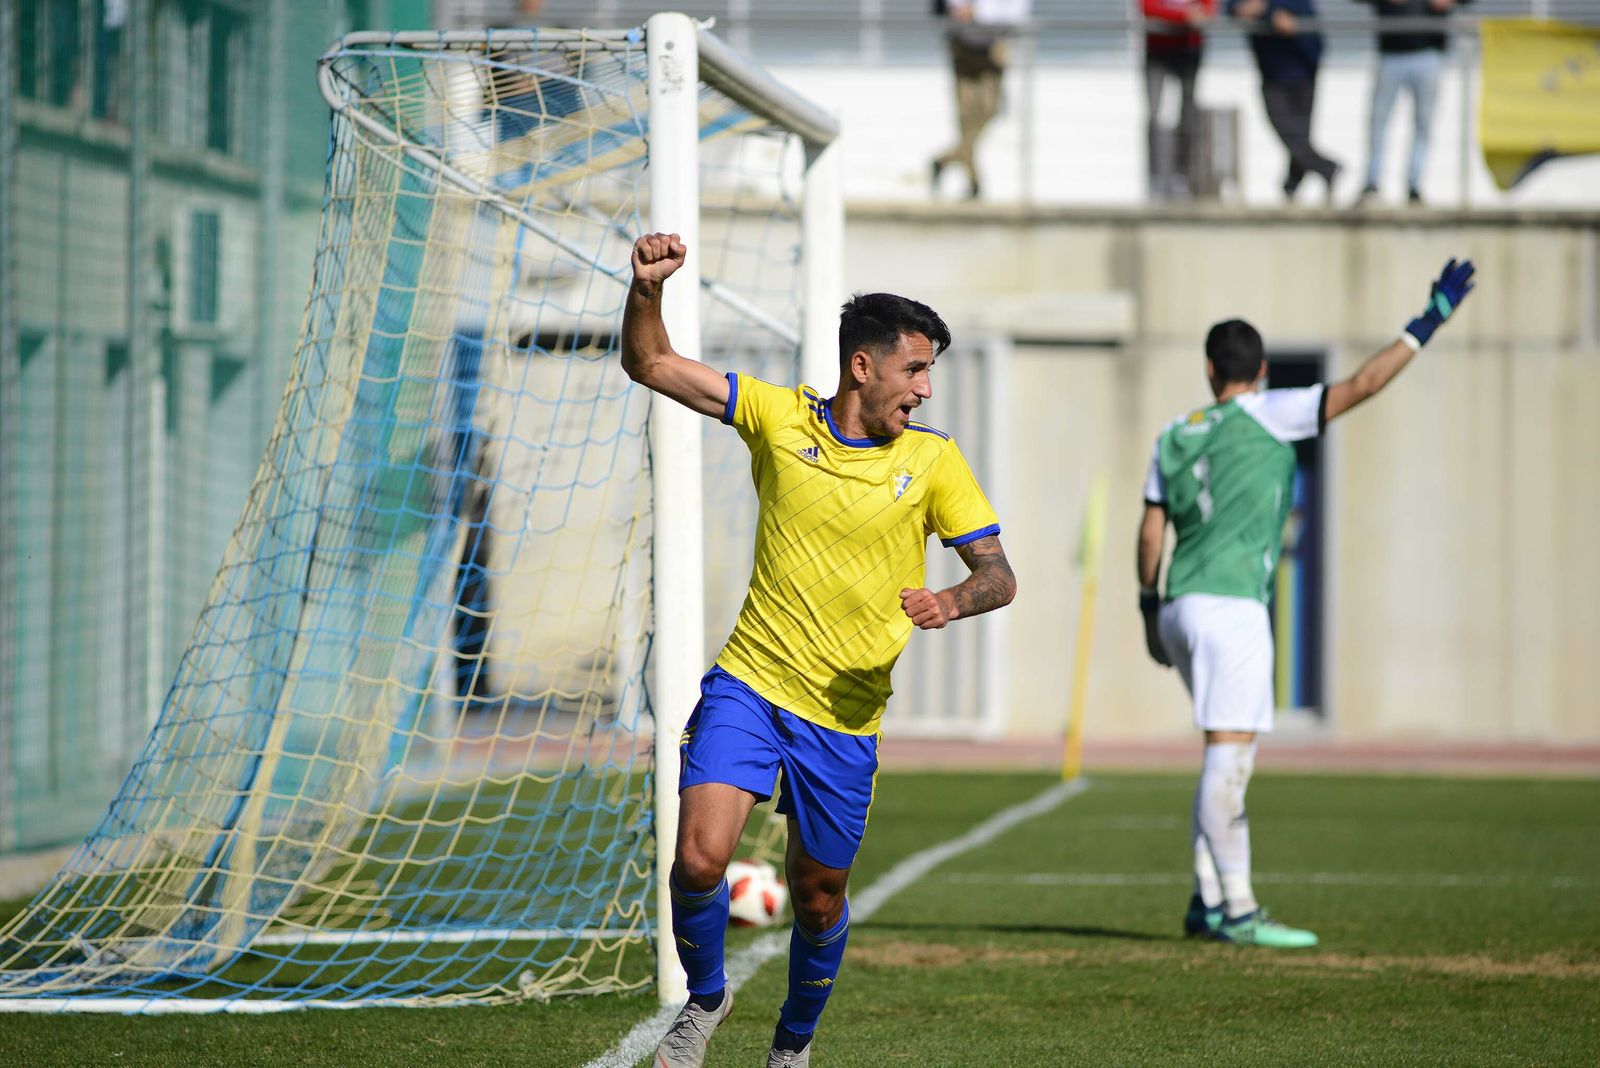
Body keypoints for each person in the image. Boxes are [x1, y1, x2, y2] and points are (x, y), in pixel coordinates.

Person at [625, 233, 1016, 1066]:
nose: (926, 388)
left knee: (817, 894)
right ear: (863, 368)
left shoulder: (934, 461)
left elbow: (999, 575)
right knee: (698, 860)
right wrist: (647, 290)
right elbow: (652, 365)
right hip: (752, 685)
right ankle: (703, 1003)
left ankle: (792, 1046)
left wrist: (950, 598)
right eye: (914, 369)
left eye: (929, 372)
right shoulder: (777, 416)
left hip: (844, 717)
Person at [1137, 258, 1476, 947]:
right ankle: (1237, 909)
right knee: (1230, 756)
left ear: (1209, 369)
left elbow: (1150, 529)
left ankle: (1207, 902)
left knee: (1217, 750)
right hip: (1232, 610)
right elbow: (1366, 383)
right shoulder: (1272, 410)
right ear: (1260, 370)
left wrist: (1149, 608)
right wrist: (1429, 318)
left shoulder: (1174, 432)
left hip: (1178, 608)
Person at [1353, 0, 1472, 206]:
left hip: (1429, 53)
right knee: (1378, 122)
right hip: (1391, 54)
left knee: (1423, 125)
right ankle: (1372, 184)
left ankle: (1414, 186)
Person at [1227, 0, 1341, 201]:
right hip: (1272, 74)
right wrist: (1252, 10)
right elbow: (1232, 8)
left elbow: (1311, 33)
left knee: (1298, 136)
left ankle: (1293, 184)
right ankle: (1322, 170)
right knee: (1289, 132)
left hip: (1303, 73)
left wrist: (1286, 22)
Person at [930, 0, 1031, 200]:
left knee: (990, 109)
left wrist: (978, 13)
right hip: (962, 43)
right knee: (966, 117)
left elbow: (1017, 11)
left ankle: (945, 160)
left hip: (993, 45)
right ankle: (973, 181)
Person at [1142, 0, 1218, 201]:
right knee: (1155, 114)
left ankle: (1181, 177)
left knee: (1188, 113)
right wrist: (1184, 15)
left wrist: (1191, 16)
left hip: (1189, 50)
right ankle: (1156, 178)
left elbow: (1208, 10)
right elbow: (1148, 7)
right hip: (1157, 50)